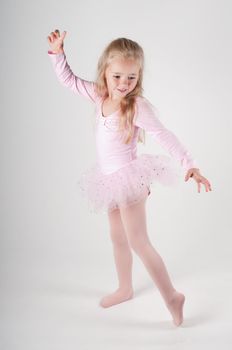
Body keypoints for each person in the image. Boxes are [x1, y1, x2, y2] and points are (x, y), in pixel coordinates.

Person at [47, 29, 212, 326]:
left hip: (129, 180)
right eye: (118, 76)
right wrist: (58, 54)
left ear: (139, 77)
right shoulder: (99, 96)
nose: (124, 84)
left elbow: (164, 135)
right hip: (109, 181)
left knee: (139, 241)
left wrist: (190, 164)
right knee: (117, 237)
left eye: (131, 78)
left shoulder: (135, 107)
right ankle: (125, 288)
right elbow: (69, 80)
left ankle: (172, 296)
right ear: (105, 74)